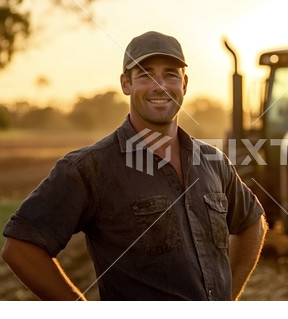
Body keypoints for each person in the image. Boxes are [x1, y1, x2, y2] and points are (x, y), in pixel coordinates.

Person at [1, 31, 267, 301]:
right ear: (125, 84)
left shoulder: (213, 161)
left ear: (184, 84)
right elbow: (21, 248)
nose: (160, 85)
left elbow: (252, 222)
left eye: (171, 74)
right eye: (145, 74)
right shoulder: (90, 168)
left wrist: (227, 300)